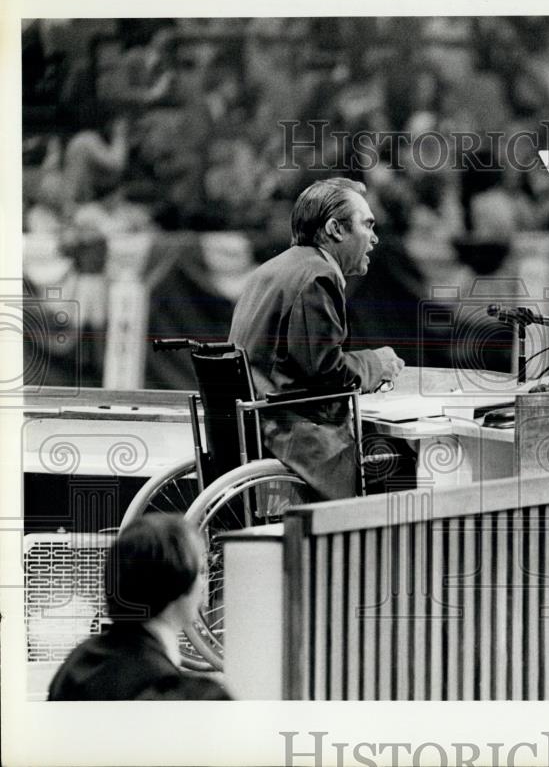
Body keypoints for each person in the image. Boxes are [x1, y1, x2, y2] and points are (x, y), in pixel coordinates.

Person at [228, 178, 405, 500]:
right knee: (398, 460)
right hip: (294, 439)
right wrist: (376, 363)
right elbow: (327, 373)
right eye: (367, 225)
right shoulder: (317, 276)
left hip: (253, 431)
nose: (375, 238)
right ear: (335, 229)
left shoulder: (270, 270)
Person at [48, 515, 230, 701]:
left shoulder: (74, 667)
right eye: (201, 572)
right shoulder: (195, 697)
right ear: (176, 583)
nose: (204, 584)